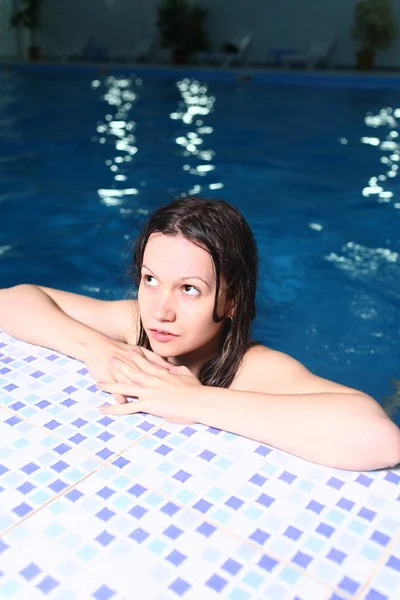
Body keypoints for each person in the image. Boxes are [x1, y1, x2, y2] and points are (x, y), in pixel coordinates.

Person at [1, 196, 399, 471]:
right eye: (151, 279)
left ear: (231, 303)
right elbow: (13, 299)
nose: (161, 310)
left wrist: (196, 400)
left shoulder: (252, 369)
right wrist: (96, 348)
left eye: (190, 288)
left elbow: (380, 438)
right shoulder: (134, 325)